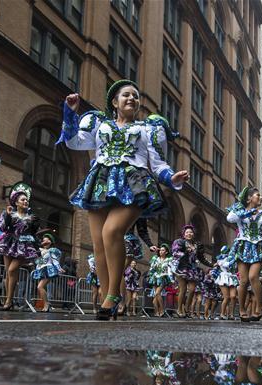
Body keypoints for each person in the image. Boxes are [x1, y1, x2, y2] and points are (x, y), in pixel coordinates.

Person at [58, 80, 188, 320]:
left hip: (134, 181)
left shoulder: (147, 129)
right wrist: (70, 113)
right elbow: (74, 142)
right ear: (115, 102)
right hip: (101, 181)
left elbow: (158, 164)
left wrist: (172, 177)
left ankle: (113, 295)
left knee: (111, 232)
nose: (132, 99)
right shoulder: (98, 123)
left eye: (136, 97)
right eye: (126, 95)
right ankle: (110, 296)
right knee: (98, 244)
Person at [227, 187, 262, 322]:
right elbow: (230, 218)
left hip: (259, 247)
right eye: (257, 195)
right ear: (249, 198)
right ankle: (242, 310)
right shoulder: (240, 211)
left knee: (253, 276)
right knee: (243, 281)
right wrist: (247, 213)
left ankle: (260, 308)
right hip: (243, 246)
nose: (260, 197)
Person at [0, 182, 39, 311]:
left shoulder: (32, 217)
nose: (26, 201)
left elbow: (33, 233)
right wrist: (8, 216)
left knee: (11, 270)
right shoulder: (7, 213)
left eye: (27, 199)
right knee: (8, 274)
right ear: (16, 202)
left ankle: (9, 301)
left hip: (24, 246)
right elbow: (2, 227)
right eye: (23, 200)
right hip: (9, 243)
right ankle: (8, 300)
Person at [170, 224, 214, 318]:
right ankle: (179, 310)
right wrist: (184, 252)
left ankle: (186, 308)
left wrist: (212, 264)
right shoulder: (180, 242)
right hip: (181, 268)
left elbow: (202, 258)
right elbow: (175, 252)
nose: (189, 234)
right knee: (183, 289)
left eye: (191, 232)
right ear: (184, 234)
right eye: (187, 232)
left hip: (192, 269)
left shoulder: (196, 245)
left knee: (192, 290)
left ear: (193, 234)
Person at [31, 233, 63, 312]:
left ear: (51, 242)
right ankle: (47, 303)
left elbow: (55, 260)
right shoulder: (42, 251)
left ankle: (46, 304)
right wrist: (34, 263)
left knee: (40, 287)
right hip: (43, 270)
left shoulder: (52, 250)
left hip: (49, 270)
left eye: (47, 240)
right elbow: (40, 262)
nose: (45, 242)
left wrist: (59, 268)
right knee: (41, 287)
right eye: (43, 240)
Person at [147, 244, 175, 317]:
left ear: (166, 252)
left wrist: (172, 279)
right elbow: (152, 268)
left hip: (164, 277)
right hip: (155, 277)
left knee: (157, 293)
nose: (161, 251)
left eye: (163, 250)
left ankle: (162, 310)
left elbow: (170, 270)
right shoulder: (155, 258)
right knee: (155, 296)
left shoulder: (169, 259)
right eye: (160, 250)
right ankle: (156, 312)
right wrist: (150, 274)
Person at [214, 245, 239, 320]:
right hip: (224, 277)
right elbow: (227, 265)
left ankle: (231, 314)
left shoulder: (235, 257)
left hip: (232, 277)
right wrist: (235, 258)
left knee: (233, 296)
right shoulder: (220, 259)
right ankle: (222, 314)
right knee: (227, 297)